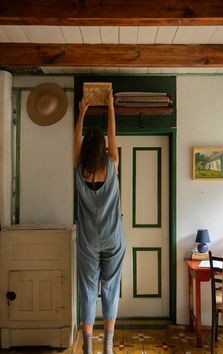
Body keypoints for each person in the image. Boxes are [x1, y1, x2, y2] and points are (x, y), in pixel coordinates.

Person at [74, 89, 126, 354]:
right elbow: (113, 135)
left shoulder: (79, 170)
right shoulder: (112, 163)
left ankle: (87, 347)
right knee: (110, 287)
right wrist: (110, 107)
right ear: (103, 148)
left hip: (87, 240)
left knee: (87, 287)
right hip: (113, 237)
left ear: (85, 149)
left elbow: (76, 141)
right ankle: (107, 346)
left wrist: (82, 112)